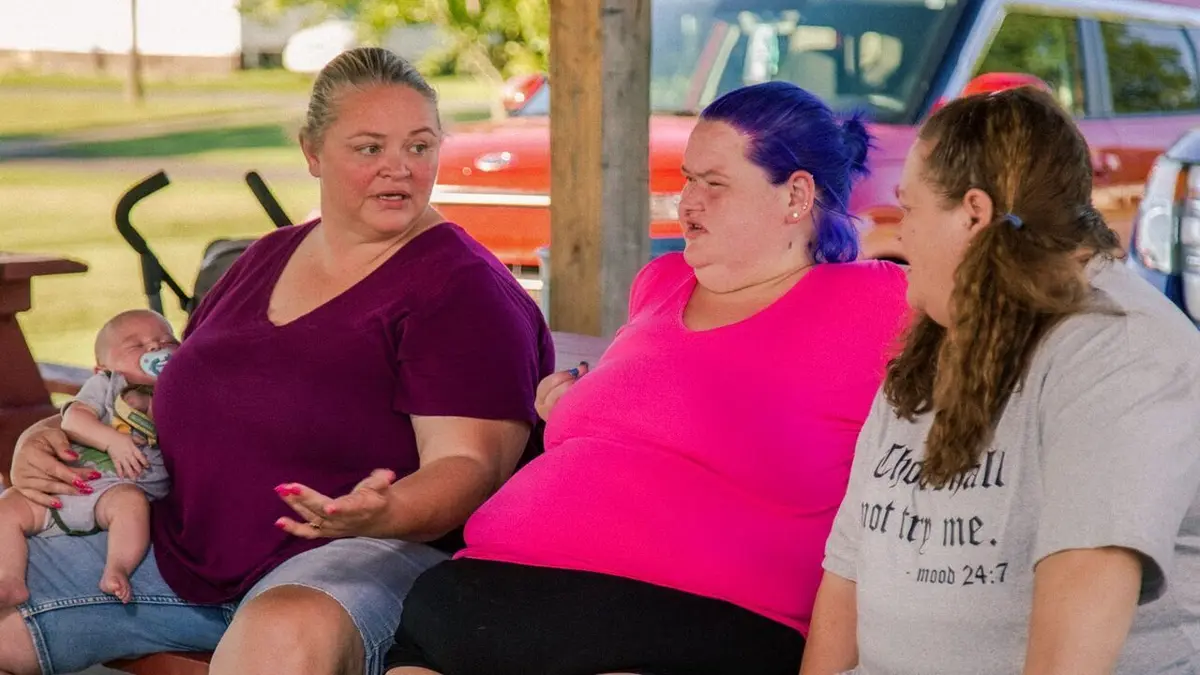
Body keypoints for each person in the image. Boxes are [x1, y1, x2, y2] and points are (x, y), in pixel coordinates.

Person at [0, 47, 554, 675]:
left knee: (281, 633)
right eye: (370, 148)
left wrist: (385, 510)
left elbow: (468, 466)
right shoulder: (263, 257)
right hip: (176, 551)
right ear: (312, 152)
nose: (399, 168)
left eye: (420, 146)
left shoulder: (462, 289)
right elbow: (169, 393)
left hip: (358, 558)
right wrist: (52, 435)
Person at [385, 81, 912, 675]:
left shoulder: (878, 299)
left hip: (678, 625)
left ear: (796, 195)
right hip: (475, 600)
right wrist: (571, 411)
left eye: (714, 184)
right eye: (688, 179)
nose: (686, 203)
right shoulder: (660, 284)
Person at [801, 87, 1200, 675]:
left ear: (973, 213)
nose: (900, 235)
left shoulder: (1120, 348)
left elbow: (1076, 632)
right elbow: (848, 576)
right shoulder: (936, 338)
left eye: (909, 210)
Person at [0, 309, 177, 608]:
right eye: (136, 346)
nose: (154, 347)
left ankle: (117, 569)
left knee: (131, 506)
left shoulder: (180, 387)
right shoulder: (106, 385)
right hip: (68, 487)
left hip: (115, 494)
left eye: (166, 340)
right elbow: (73, 421)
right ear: (102, 368)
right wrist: (112, 441)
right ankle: (10, 579)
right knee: (8, 506)